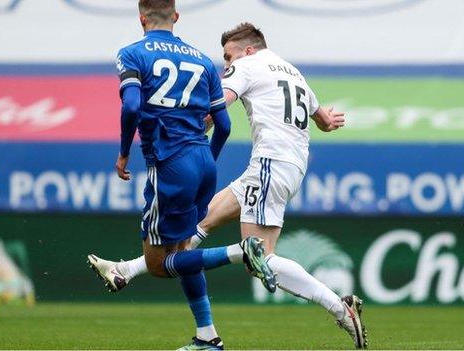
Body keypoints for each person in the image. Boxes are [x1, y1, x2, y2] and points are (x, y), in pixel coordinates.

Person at [88, 22, 368, 349]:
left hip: (270, 164)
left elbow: (218, 106)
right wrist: (329, 120)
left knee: (257, 256)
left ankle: (340, 308)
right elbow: (322, 120)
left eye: (228, 57)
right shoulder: (293, 72)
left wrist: (186, 133)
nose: (226, 65)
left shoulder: (247, 66)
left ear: (248, 50)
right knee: (198, 226)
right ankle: (129, 273)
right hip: (284, 166)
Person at [88, 5, 277, 350]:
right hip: (203, 160)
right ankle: (208, 336)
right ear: (176, 17)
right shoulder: (204, 60)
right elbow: (223, 125)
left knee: (158, 264)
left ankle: (241, 252)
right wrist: (206, 162)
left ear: (142, 17)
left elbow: (130, 107)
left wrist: (124, 153)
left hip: (170, 165)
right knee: (183, 250)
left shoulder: (132, 54)